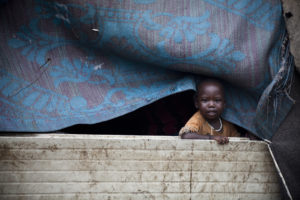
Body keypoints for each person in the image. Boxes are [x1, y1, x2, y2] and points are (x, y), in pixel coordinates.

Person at [179, 79, 240, 144]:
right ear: (197, 103)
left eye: (217, 100)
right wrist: (211, 138)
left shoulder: (227, 123)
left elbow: (238, 139)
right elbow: (186, 135)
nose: (211, 105)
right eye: (205, 100)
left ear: (224, 104)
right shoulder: (198, 119)